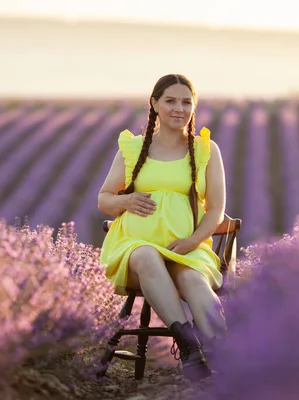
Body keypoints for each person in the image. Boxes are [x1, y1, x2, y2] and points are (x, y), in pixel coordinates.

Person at [97, 74, 227, 381]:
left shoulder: (206, 150)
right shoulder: (133, 148)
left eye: (186, 102)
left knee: (194, 282)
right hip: (134, 250)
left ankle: (227, 357)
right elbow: (104, 199)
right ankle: (189, 347)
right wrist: (126, 202)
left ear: (194, 107)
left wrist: (193, 241)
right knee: (145, 256)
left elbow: (217, 210)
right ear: (154, 104)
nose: (178, 108)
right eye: (170, 101)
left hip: (186, 249)